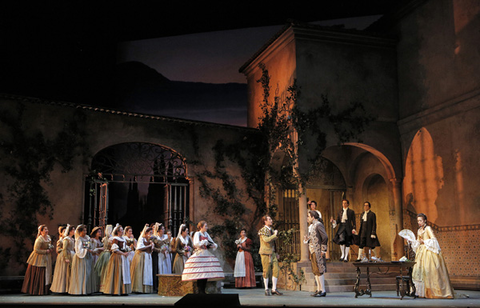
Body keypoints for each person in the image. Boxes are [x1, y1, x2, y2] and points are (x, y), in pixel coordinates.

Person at [411, 213, 454, 299]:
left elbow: (434, 240)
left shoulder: (428, 229)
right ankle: (420, 293)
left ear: (425, 220)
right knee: (419, 271)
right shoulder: (419, 230)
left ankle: (432, 292)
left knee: (430, 270)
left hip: (428, 251)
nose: (419, 222)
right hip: (421, 252)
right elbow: (418, 241)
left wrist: (425, 242)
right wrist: (412, 241)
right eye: (418, 221)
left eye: (420, 220)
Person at [182, 221, 225, 294]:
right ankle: (200, 290)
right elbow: (195, 243)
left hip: (206, 253)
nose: (207, 227)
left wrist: (213, 245)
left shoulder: (206, 234)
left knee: (205, 272)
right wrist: (204, 242)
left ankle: (203, 290)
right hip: (200, 253)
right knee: (200, 273)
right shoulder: (197, 233)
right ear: (201, 227)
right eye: (205, 226)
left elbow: (211, 242)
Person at [21, 224, 53, 295]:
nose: (47, 231)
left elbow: (49, 245)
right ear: (41, 231)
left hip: (46, 257)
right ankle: (37, 290)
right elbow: (36, 250)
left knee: (47, 273)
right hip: (38, 258)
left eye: (47, 229)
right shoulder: (39, 239)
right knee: (40, 272)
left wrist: (50, 248)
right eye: (45, 229)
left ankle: (45, 290)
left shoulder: (48, 237)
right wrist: (45, 251)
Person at [304, 211, 328, 297]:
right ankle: (319, 289)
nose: (308, 218)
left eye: (309, 216)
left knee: (319, 270)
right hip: (313, 250)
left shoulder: (318, 224)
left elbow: (325, 237)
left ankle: (323, 290)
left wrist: (323, 250)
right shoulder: (312, 226)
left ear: (313, 217)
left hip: (318, 250)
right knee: (315, 270)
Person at [103, 224, 131, 295]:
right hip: (117, 257)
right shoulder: (115, 239)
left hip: (123, 257)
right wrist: (123, 253)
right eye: (121, 230)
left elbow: (125, 247)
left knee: (124, 274)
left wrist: (127, 251)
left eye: (122, 230)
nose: (122, 231)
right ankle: (116, 290)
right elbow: (114, 249)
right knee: (117, 273)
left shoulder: (123, 239)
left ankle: (123, 290)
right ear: (118, 232)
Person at [258, 215, 282, 296]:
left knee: (276, 270)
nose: (271, 220)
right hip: (265, 253)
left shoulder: (271, 230)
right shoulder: (262, 230)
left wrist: (277, 252)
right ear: (265, 221)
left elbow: (274, 243)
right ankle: (266, 289)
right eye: (269, 219)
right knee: (266, 271)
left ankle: (274, 289)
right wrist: (274, 235)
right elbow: (266, 240)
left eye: (271, 219)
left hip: (273, 253)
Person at [68, 224, 94, 295]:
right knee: (81, 273)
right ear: (80, 232)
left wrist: (90, 250)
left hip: (87, 257)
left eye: (86, 230)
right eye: (84, 231)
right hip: (81, 258)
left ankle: (86, 290)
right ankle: (79, 290)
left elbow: (87, 246)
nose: (85, 232)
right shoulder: (79, 239)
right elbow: (79, 250)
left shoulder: (87, 238)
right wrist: (87, 250)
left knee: (87, 273)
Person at [130, 224, 154, 293]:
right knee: (141, 273)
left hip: (147, 256)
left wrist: (151, 247)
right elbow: (139, 247)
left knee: (147, 273)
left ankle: (146, 289)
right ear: (146, 233)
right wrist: (149, 245)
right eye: (150, 233)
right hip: (141, 256)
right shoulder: (141, 238)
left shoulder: (150, 240)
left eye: (152, 233)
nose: (151, 234)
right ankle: (139, 288)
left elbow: (150, 250)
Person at [51, 224, 74, 293]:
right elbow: (61, 249)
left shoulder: (71, 239)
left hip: (71, 254)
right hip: (64, 255)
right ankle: (63, 288)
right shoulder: (64, 240)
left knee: (69, 272)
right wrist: (66, 254)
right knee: (64, 272)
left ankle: (69, 287)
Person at [94, 224, 113, 293]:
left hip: (104, 254)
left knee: (104, 270)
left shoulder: (104, 239)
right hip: (107, 254)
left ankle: (104, 286)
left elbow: (104, 248)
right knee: (106, 270)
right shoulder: (110, 239)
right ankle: (105, 286)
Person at [90, 226, 105, 292]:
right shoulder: (91, 240)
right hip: (94, 256)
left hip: (98, 256)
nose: (100, 233)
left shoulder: (100, 240)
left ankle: (98, 287)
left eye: (100, 232)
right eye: (98, 232)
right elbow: (87, 247)